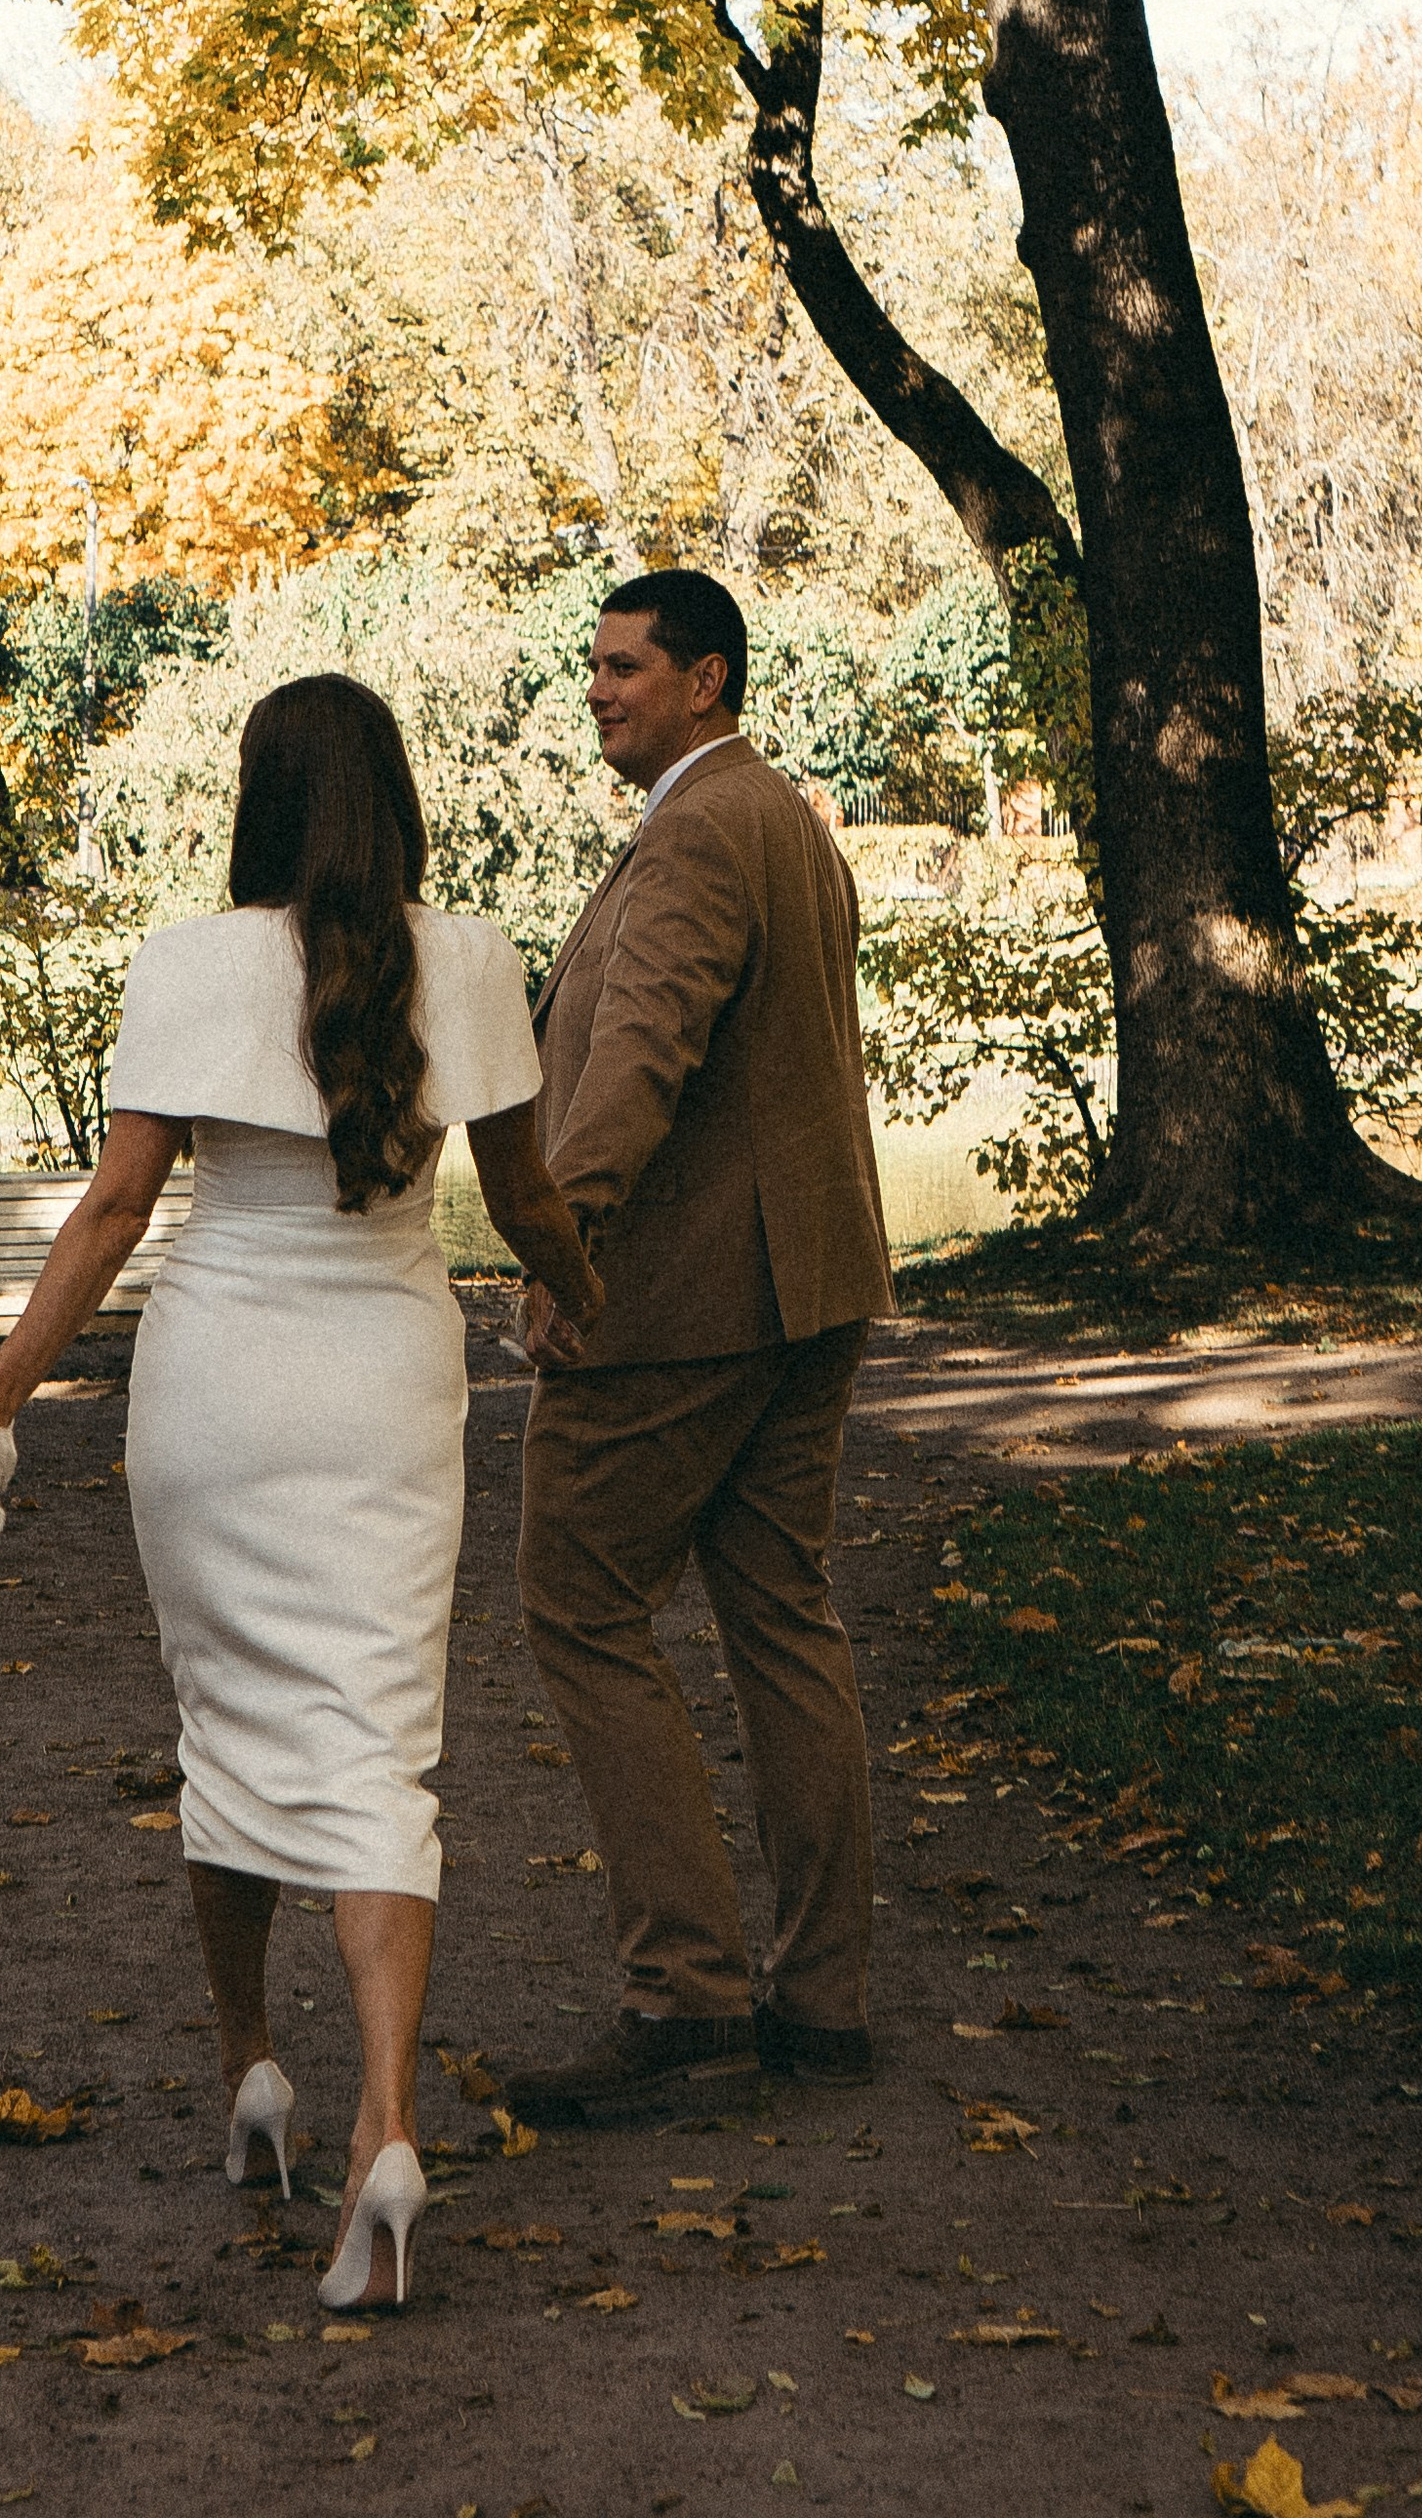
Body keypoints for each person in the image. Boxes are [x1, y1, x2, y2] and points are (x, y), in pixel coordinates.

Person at [0, 674, 602, 2308]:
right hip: (389, 1382)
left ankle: (254, 2070)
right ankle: (388, 2126)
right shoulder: (468, 959)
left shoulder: (189, 963)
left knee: (227, 1723)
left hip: (217, 1391)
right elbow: (525, 1194)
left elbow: (114, 1211)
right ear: (394, 798)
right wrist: (584, 1300)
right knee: (379, 1742)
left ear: (257, 798)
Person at [501, 569, 893, 2129]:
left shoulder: (696, 832)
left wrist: (559, 1246)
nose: (597, 689)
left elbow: (636, 1063)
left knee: (579, 1602)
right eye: (591, 664)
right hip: (810, 1284)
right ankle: (823, 2003)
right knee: (780, 1616)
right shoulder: (782, 817)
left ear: (707, 680)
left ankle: (687, 2001)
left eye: (623, 667)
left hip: (683, 1307)